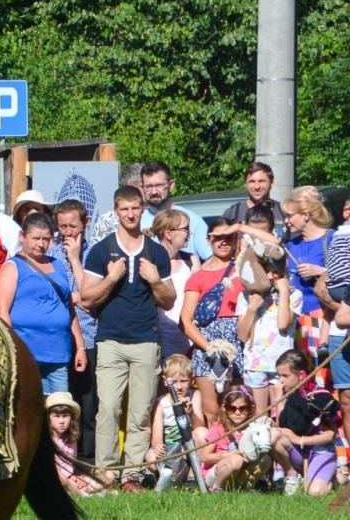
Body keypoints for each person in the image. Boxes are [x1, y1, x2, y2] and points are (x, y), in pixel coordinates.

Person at [81, 184, 174, 488]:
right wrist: (111, 277)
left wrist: (155, 280)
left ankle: (132, 474)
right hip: (110, 340)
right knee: (107, 408)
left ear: (142, 210)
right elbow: (86, 297)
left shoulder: (156, 252)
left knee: (140, 411)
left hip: (146, 340)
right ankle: (105, 472)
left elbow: (169, 300)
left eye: (135, 208)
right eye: (124, 209)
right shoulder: (100, 250)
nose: (131, 214)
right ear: (116, 211)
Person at [0, 212, 84, 394]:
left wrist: (80, 347)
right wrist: (13, 351)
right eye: (35, 238)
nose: (41, 244)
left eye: (46, 239)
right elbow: (2, 311)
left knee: (59, 411)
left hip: (58, 353)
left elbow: (68, 309)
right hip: (27, 355)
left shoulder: (58, 265)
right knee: (29, 411)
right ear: (22, 237)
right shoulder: (13, 267)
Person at [181, 220, 247, 424]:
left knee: (238, 405)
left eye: (229, 237)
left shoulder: (245, 270)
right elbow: (186, 320)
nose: (224, 242)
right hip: (207, 346)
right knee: (211, 410)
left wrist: (241, 229)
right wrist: (210, 349)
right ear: (209, 239)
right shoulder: (198, 277)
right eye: (218, 237)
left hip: (238, 341)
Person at [51, 198, 100, 463]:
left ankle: (88, 459)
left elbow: (91, 296)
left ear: (86, 223)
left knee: (88, 403)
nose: (68, 233)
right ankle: (63, 459)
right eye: (62, 227)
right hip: (61, 338)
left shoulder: (95, 253)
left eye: (73, 226)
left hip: (90, 334)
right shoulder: (50, 254)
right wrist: (78, 297)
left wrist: (74, 258)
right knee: (63, 402)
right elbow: (57, 296)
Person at [271, 349, 341, 497]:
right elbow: (282, 426)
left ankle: (335, 478)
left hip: (320, 452)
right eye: (279, 376)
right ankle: (292, 475)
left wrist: (299, 440)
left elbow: (331, 435)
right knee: (272, 435)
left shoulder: (320, 396)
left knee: (314, 493)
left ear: (301, 375)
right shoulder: (287, 395)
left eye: (285, 376)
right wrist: (279, 398)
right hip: (298, 454)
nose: (280, 380)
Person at [237, 248, 298, 418]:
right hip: (255, 363)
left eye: (275, 272)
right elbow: (242, 335)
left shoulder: (294, 295)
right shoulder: (246, 296)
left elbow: (283, 323)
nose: (271, 277)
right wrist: (252, 308)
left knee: (281, 413)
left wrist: (284, 292)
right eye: (267, 271)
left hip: (281, 363)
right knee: (259, 414)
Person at [281, 186, 334, 369]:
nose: (286, 221)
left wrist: (320, 271)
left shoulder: (332, 240)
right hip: (294, 319)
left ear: (306, 214)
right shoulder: (291, 245)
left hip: (323, 317)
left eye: (290, 215)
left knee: (323, 374)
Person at [145, 354, 203, 491]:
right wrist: (157, 444)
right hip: (169, 447)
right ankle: (163, 476)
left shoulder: (195, 396)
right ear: (165, 381)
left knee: (202, 433)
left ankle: (191, 476)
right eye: (174, 382)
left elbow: (200, 427)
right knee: (151, 456)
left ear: (192, 380)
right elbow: (157, 434)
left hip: (187, 447)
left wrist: (191, 413)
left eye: (183, 381)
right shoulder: (162, 402)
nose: (179, 387)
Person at [147, 208, 197, 359]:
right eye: (185, 229)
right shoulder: (150, 263)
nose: (189, 233)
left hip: (188, 338)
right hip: (159, 339)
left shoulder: (191, 260)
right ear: (168, 234)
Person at [195, 384, 262, 491]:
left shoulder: (253, 428)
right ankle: (217, 489)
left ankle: (242, 489)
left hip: (240, 472)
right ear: (224, 408)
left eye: (243, 408)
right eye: (231, 408)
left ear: (250, 408)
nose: (237, 413)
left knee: (265, 460)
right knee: (236, 460)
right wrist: (228, 455)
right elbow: (205, 457)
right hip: (216, 473)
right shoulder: (218, 428)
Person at [138, 161, 211, 259]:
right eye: (149, 186)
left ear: (171, 185)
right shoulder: (136, 222)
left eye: (159, 185)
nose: (154, 191)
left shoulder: (193, 221)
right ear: (142, 188)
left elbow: (212, 261)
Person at [45, 393, 104, 496]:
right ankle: (83, 494)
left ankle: (82, 490)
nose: (62, 421)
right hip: (54, 479)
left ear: (71, 418)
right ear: (49, 418)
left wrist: (75, 477)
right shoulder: (46, 440)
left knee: (108, 475)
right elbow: (50, 469)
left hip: (71, 476)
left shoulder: (71, 438)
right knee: (61, 479)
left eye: (65, 416)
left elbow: (70, 465)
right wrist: (70, 479)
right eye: (56, 416)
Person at [220, 161, 286, 232]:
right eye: (252, 181)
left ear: (271, 183)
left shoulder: (283, 212)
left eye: (261, 181)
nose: (257, 187)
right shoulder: (233, 214)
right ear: (245, 184)